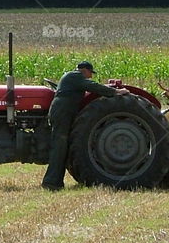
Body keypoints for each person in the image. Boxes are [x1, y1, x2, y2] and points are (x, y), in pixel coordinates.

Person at [41, 61, 128, 190]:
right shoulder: (75, 76)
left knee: (62, 145)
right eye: (90, 73)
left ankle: (55, 181)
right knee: (60, 144)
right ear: (85, 70)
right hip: (63, 111)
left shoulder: (72, 77)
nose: (90, 76)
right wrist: (115, 92)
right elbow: (93, 86)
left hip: (65, 110)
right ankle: (51, 182)